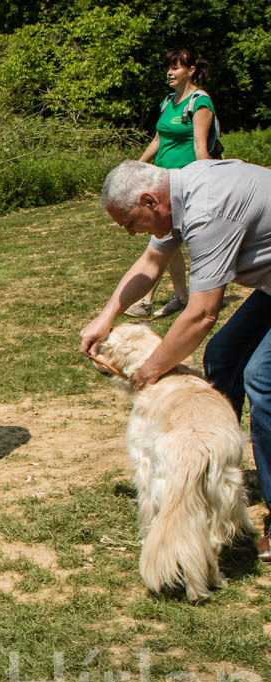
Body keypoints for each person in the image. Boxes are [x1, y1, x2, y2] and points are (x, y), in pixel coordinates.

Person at [80, 159, 271, 556]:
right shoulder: (180, 194)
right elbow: (151, 264)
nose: (131, 233)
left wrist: (148, 370)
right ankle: (206, 474)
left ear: (150, 201)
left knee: (262, 379)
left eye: (130, 223)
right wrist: (106, 316)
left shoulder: (208, 211)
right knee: (223, 355)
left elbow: (202, 315)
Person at [124, 48, 217, 320]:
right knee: (166, 237)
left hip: (186, 182)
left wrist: (208, 181)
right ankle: (180, 296)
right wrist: (138, 165)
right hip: (162, 182)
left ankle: (146, 300)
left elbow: (200, 146)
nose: (170, 72)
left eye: (175, 67)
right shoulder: (168, 101)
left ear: (191, 71)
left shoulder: (200, 102)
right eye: (168, 67)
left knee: (163, 237)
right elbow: (158, 139)